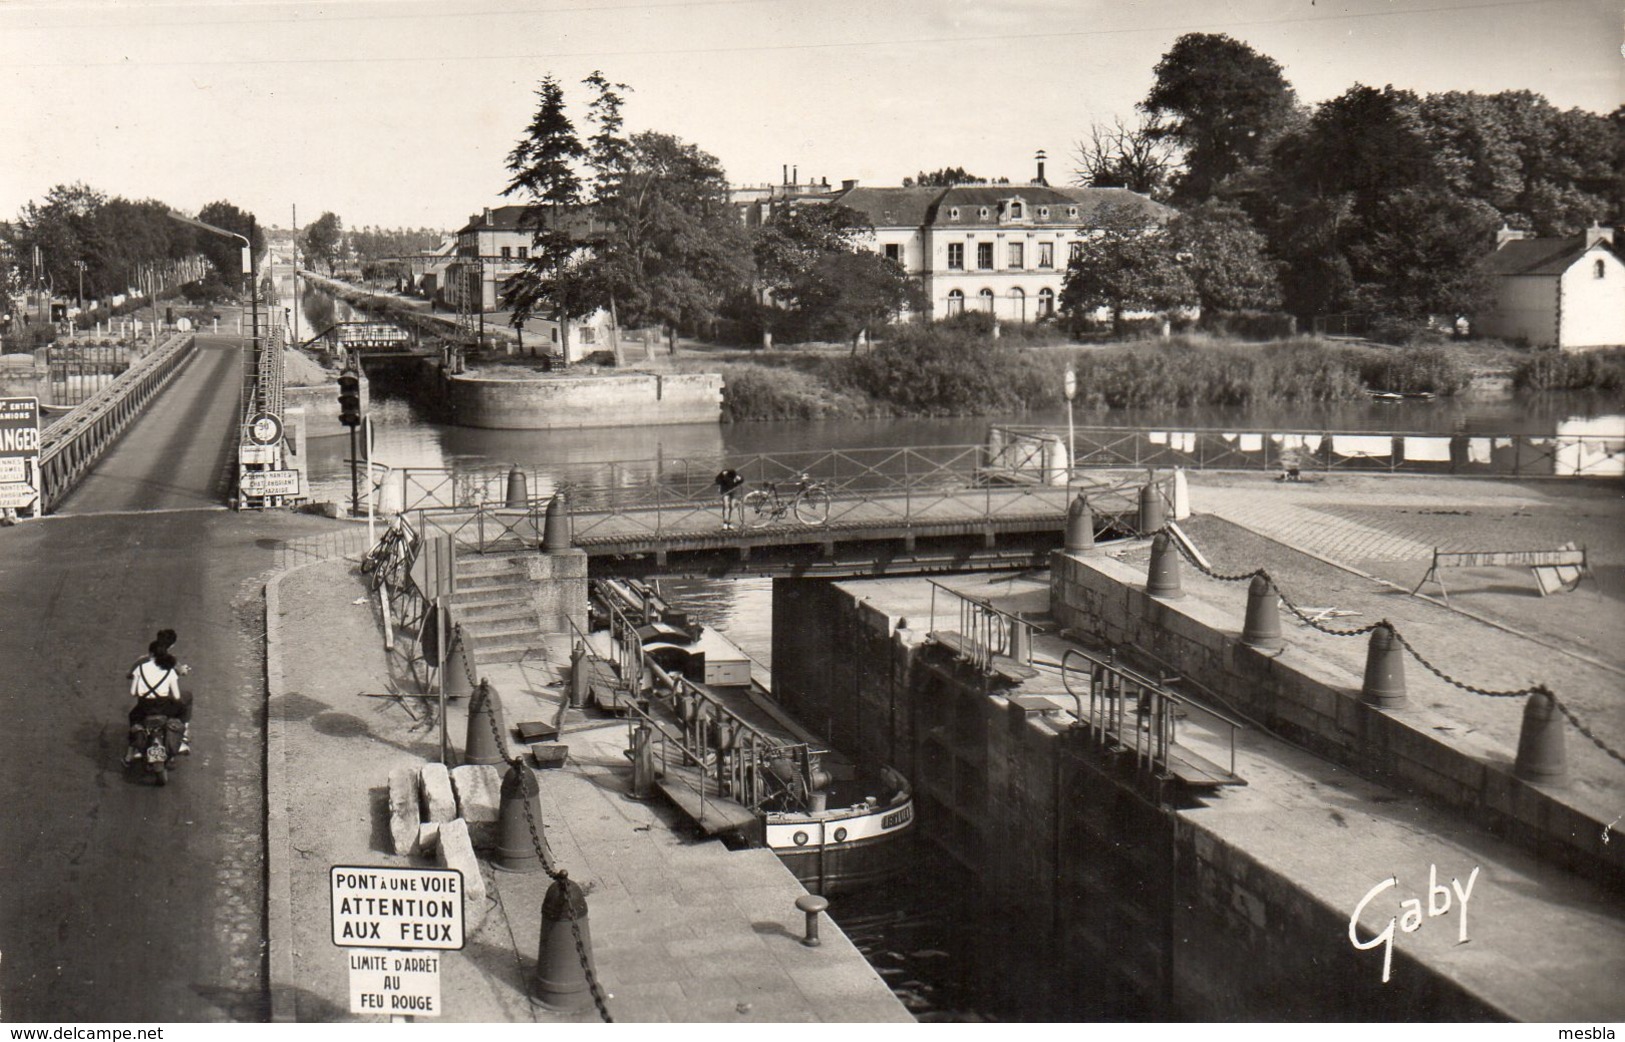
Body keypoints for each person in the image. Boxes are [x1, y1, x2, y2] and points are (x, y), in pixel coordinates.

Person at [127, 638, 192, 758]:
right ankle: (183, 736)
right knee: (183, 707)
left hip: (144, 708)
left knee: (133, 718)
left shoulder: (140, 668)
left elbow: (132, 692)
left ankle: (131, 752)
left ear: (150, 654)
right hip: (164, 708)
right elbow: (177, 696)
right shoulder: (169, 670)